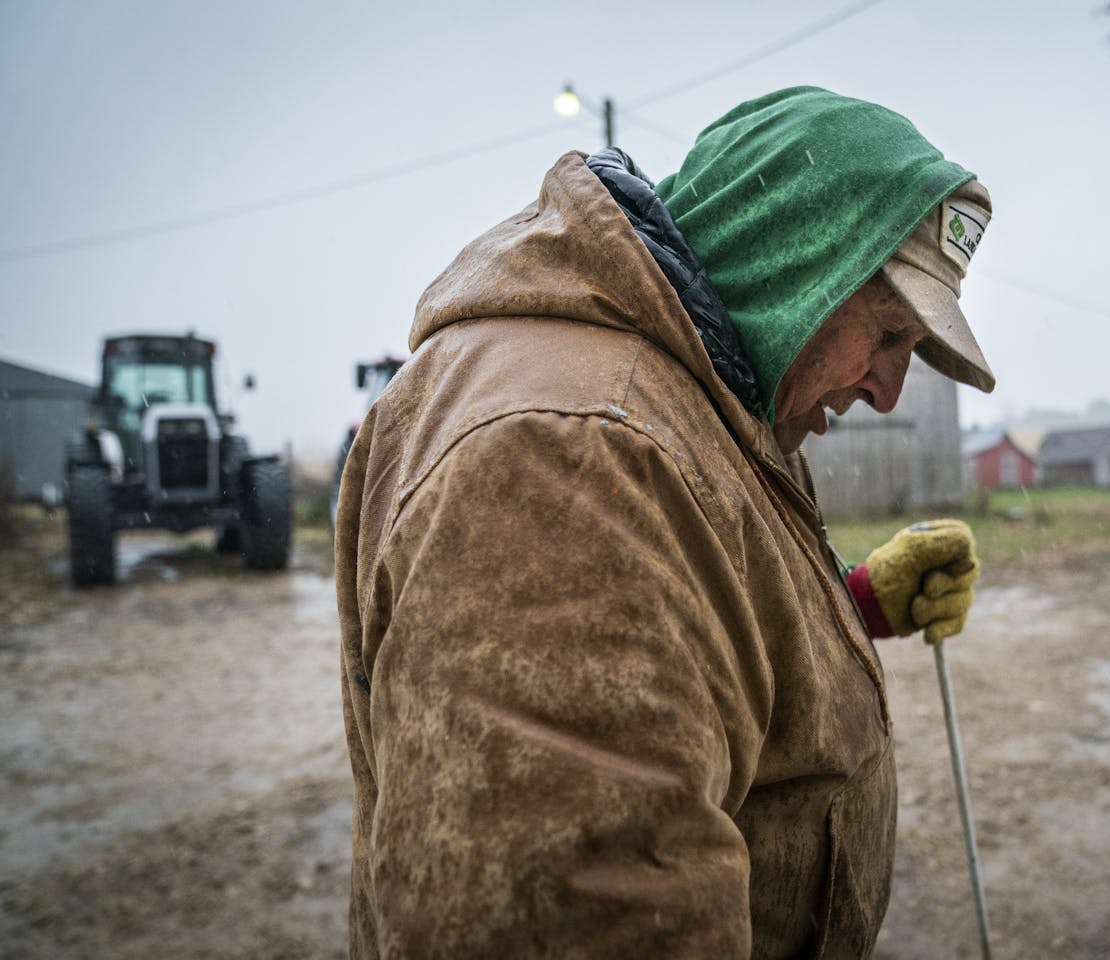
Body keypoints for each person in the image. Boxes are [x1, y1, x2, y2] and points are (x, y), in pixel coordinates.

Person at [335, 85, 995, 959]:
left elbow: (678, 633)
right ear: (790, 260)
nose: (887, 390)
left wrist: (855, 605)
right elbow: (585, 914)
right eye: (886, 333)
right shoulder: (571, 458)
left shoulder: (694, 407)